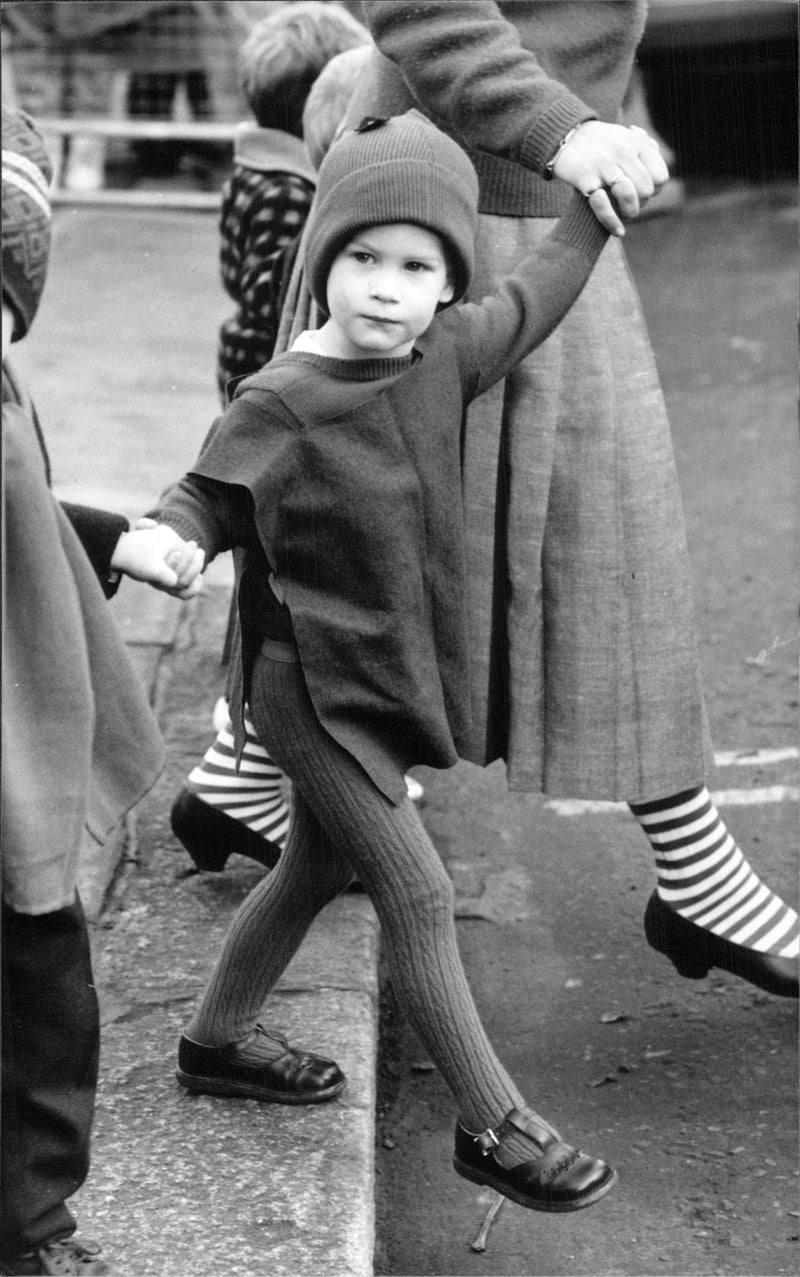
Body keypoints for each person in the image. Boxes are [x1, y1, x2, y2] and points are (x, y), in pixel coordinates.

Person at [120, 110, 621, 1214]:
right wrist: (173, 537)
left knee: (313, 865)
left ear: (444, 284)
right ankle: (493, 1123)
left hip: (380, 669)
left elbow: (533, 297)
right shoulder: (285, 396)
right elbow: (206, 493)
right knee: (416, 886)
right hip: (304, 679)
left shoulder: (445, 353)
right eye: (360, 257)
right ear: (322, 261)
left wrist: (594, 204)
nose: (385, 286)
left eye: (414, 264)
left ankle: (213, 1040)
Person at [319, 0, 797, 999]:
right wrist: (566, 127)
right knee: (372, 529)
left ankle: (237, 780)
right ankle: (693, 866)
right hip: (446, 203)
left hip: (534, 186)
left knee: (530, 533)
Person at [0, 107, 201, 1277]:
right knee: (36, 995)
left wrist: (112, 536)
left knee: (45, 992)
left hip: (19, 736)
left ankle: (32, 1223)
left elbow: (27, 519)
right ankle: (26, 1234)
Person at [168, 9, 391, 877]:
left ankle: (236, 782)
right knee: (290, 594)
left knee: (280, 590)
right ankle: (245, 774)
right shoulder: (295, 195)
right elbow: (274, 296)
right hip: (281, 419)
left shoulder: (256, 176)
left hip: (263, 406)